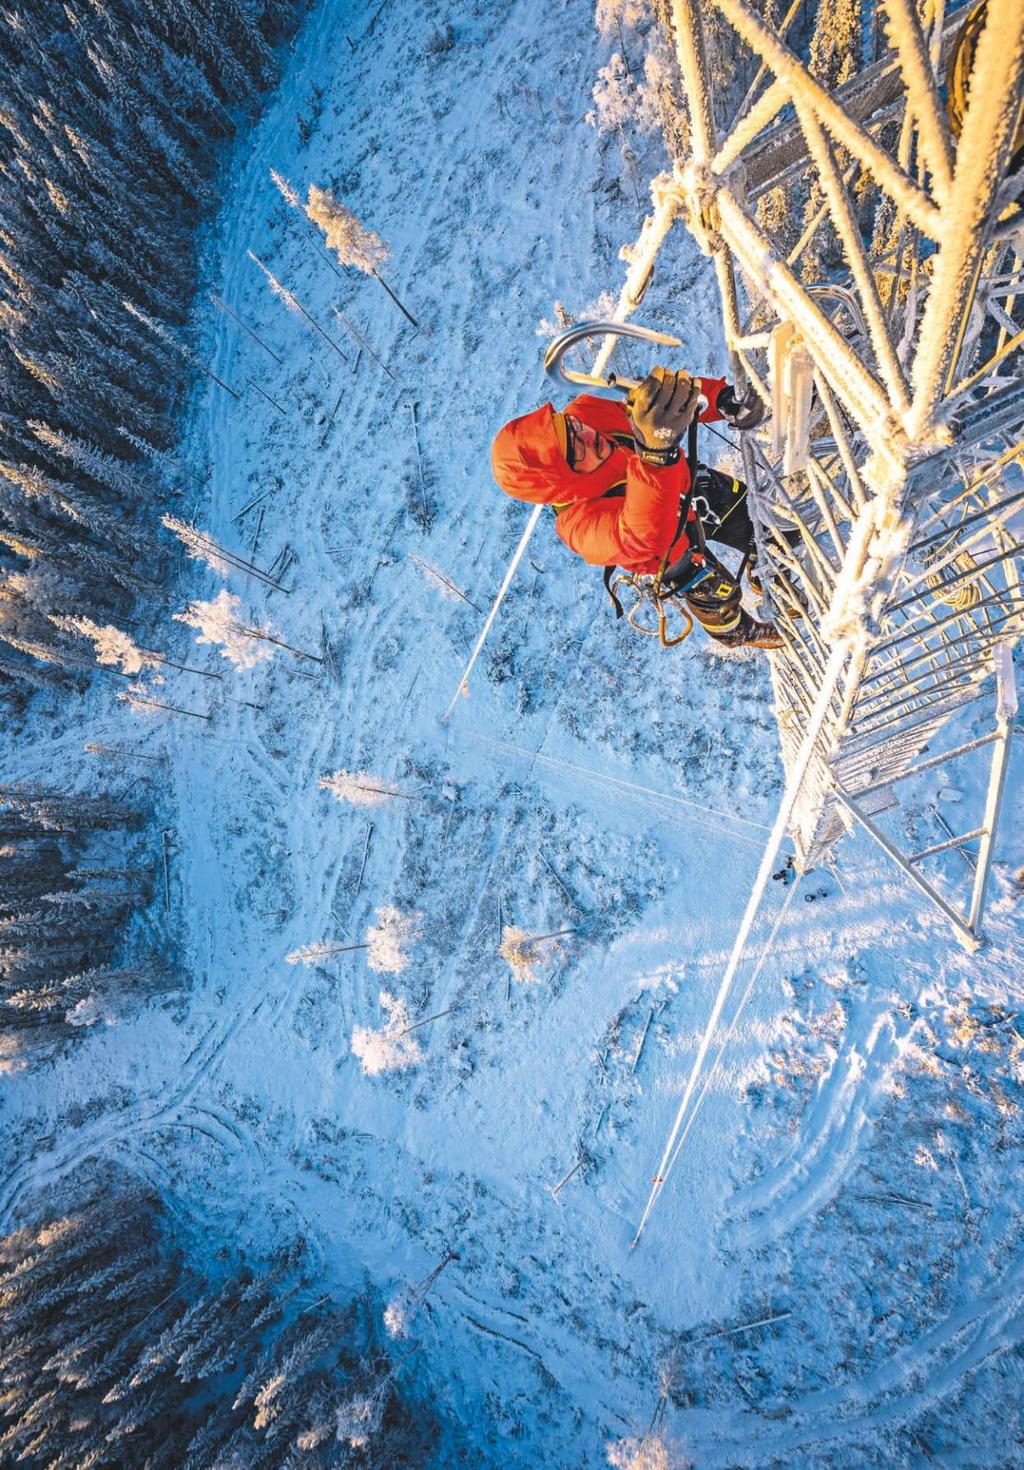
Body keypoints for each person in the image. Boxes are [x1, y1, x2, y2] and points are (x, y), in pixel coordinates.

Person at [491, 367, 782, 649]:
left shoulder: (588, 412)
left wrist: (719, 399)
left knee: (769, 526)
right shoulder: (578, 527)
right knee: (719, 600)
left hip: (689, 490)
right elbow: (644, 534)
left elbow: (661, 402)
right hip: (672, 551)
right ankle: (743, 632)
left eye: (571, 426)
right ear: (561, 483)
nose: (589, 436)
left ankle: (767, 563)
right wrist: (656, 456)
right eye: (576, 449)